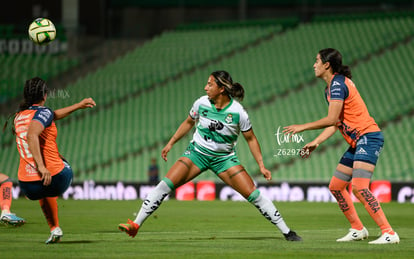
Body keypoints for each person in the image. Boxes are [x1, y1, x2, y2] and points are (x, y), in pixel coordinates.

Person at [118, 70, 302, 241]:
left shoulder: (238, 112)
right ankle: (135, 225)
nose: (205, 88)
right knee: (164, 186)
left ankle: (288, 232)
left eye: (209, 84)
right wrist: (171, 142)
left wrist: (261, 165)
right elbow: (189, 122)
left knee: (254, 195)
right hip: (197, 153)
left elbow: (251, 139)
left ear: (221, 88)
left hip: (224, 160)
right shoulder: (201, 103)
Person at [283, 48, 399, 244]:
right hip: (358, 141)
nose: (314, 65)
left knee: (359, 187)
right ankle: (357, 229)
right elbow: (336, 123)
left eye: (317, 61)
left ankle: (388, 232)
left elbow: (331, 118)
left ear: (326, 65)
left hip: (368, 137)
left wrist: (303, 127)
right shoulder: (329, 89)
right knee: (336, 186)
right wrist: (316, 142)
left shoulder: (338, 83)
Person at [12, 77, 95, 244]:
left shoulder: (18, 117)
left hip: (27, 185)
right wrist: (42, 167)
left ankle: (55, 229)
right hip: (57, 177)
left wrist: (78, 105)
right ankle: (50, 170)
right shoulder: (44, 112)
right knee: (59, 164)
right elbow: (32, 134)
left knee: (44, 188)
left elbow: (52, 115)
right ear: (45, 95)